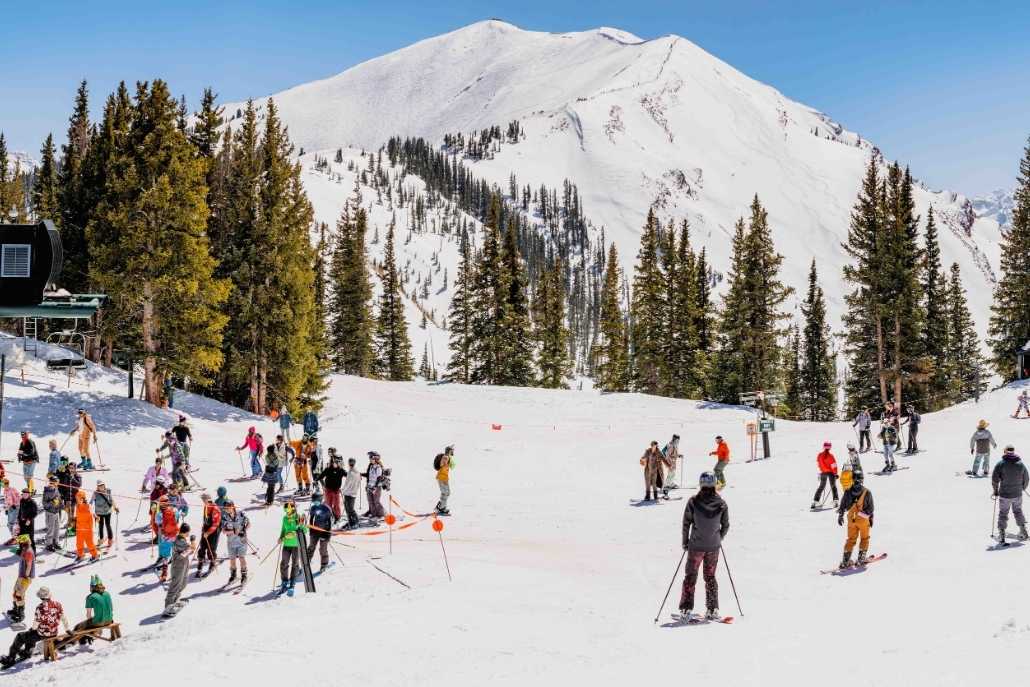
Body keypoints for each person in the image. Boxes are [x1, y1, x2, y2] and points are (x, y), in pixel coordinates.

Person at [678, 472, 729, 621]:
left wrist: (685, 541)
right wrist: (719, 537)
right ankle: (712, 609)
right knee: (710, 576)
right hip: (713, 546)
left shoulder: (693, 502)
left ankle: (686, 609)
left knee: (691, 576)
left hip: (696, 546)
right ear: (714, 484)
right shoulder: (721, 503)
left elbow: (686, 523)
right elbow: (725, 525)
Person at [0, 586, 69, 669]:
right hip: (53, 632)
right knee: (30, 634)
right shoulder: (57, 605)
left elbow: (36, 623)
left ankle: (11, 658)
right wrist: (67, 629)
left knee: (20, 636)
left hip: (42, 634)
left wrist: (32, 629)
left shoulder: (40, 608)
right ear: (50, 595)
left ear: (40, 597)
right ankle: (27, 651)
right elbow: (64, 618)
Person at [992, 445, 1029, 543]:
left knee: (1003, 513)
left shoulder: (1001, 464)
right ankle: (1023, 531)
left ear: (1005, 452)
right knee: (1018, 511)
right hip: (1017, 494)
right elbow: (1026, 478)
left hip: (1005, 494)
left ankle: (1002, 534)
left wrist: (995, 491)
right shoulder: (1020, 464)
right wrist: (1022, 488)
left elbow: (995, 479)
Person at [837, 472, 874, 568]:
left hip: (851, 519)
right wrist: (871, 518)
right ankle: (861, 559)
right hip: (863, 519)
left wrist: (840, 515)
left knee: (851, 539)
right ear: (862, 479)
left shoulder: (847, 491)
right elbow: (871, 508)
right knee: (864, 538)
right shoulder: (867, 492)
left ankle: (845, 561)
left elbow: (842, 505)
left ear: (852, 479)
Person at [163, 523, 196, 617]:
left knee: (183, 583)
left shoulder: (181, 539)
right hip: (178, 566)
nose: (189, 534)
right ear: (186, 532)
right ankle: (168, 607)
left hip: (183, 564)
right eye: (188, 533)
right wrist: (193, 541)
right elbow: (191, 549)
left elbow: (187, 550)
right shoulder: (180, 541)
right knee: (175, 585)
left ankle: (175, 601)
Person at [71, 575, 114, 642]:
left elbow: (88, 614)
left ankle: (72, 641)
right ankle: (92, 636)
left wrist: (91, 623)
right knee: (95, 620)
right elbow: (111, 608)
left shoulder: (90, 597)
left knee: (80, 626)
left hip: (100, 622)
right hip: (110, 620)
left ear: (92, 587)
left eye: (90, 586)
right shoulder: (107, 594)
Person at [278, 500, 307, 593]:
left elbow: (305, 530)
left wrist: (298, 529)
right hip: (286, 544)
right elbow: (283, 530)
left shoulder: (298, 517)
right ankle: (284, 581)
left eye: (288, 511)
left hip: (296, 545)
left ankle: (292, 582)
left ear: (293, 509)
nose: (287, 513)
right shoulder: (284, 518)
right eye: (286, 511)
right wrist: (281, 537)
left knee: (295, 564)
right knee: (284, 564)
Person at [221, 500, 249, 587]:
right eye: (225, 508)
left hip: (241, 541)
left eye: (228, 507)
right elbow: (224, 531)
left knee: (241, 558)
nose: (227, 509)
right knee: (232, 560)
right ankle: (233, 575)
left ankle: (244, 575)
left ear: (232, 506)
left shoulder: (241, 514)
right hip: (231, 542)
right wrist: (233, 531)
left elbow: (249, 524)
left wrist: (243, 530)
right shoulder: (225, 517)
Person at [8, 535, 34, 625]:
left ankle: (20, 614)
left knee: (19, 594)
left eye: (20, 542)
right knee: (15, 591)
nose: (19, 544)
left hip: (25, 577)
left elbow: (29, 565)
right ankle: (15, 609)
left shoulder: (29, 552)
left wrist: (26, 576)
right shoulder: (24, 549)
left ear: (24, 543)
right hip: (21, 575)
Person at [154, 495, 180, 582]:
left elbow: (158, 524)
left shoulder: (159, 514)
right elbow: (177, 520)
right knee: (175, 553)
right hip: (175, 534)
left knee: (165, 556)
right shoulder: (175, 510)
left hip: (165, 536)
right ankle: (176, 573)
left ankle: (164, 574)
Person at [306, 492, 333, 573]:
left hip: (324, 532)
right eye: (313, 501)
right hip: (315, 531)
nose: (314, 503)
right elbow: (311, 519)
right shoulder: (313, 508)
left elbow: (330, 522)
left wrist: (326, 535)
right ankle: (307, 561)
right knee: (311, 547)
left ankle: (324, 564)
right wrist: (311, 531)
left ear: (320, 500)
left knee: (323, 549)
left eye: (315, 501)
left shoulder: (326, 508)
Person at [197, 493, 221, 578]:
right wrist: (204, 528)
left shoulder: (215, 509)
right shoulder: (206, 506)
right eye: (202, 500)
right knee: (202, 547)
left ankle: (212, 562)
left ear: (208, 499)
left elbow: (215, 524)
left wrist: (208, 532)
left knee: (211, 548)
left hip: (214, 531)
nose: (203, 501)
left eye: (204, 499)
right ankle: (200, 563)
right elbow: (205, 519)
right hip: (206, 529)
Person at [811, 441, 839, 510]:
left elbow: (818, 463)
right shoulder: (830, 456)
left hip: (823, 473)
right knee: (833, 486)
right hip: (831, 473)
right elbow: (834, 465)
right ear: (830, 447)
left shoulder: (820, 455)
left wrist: (822, 470)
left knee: (821, 486)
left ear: (824, 447)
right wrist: (835, 473)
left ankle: (815, 501)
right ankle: (835, 501)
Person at [90, 481, 118, 550]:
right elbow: (91, 502)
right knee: (100, 526)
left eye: (102, 485)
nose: (101, 486)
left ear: (104, 485)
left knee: (108, 525)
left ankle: (110, 539)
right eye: (99, 485)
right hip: (99, 513)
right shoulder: (95, 493)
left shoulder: (108, 491)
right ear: (97, 487)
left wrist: (115, 507)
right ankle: (101, 539)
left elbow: (111, 500)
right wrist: (92, 512)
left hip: (107, 512)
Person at [320, 451, 346, 522]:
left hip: (336, 490)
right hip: (328, 489)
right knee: (328, 503)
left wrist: (356, 476)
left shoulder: (341, 470)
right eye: (334, 462)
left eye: (337, 462)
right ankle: (328, 516)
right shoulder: (328, 469)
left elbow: (348, 475)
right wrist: (316, 480)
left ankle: (337, 517)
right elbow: (322, 475)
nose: (335, 464)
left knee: (336, 504)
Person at [73, 492, 98, 562]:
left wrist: (96, 517)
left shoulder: (88, 506)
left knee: (90, 543)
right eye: (77, 499)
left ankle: (95, 555)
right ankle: (81, 555)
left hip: (87, 529)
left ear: (83, 499)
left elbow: (93, 514)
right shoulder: (77, 506)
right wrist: (73, 521)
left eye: (79, 499)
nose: (78, 500)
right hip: (79, 528)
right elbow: (75, 516)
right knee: (79, 543)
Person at [362, 452, 386, 519]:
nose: (370, 459)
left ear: (376, 459)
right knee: (370, 501)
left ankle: (381, 515)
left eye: (371, 458)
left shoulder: (378, 467)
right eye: (370, 458)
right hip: (369, 486)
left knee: (376, 502)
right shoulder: (371, 466)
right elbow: (368, 475)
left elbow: (379, 478)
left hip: (376, 487)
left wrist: (375, 487)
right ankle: (374, 514)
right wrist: (360, 474)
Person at [41, 476, 63, 552]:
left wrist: (61, 504)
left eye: (57, 482)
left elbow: (59, 498)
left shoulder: (56, 489)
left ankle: (55, 542)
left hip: (56, 512)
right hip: (50, 512)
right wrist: (52, 502)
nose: (57, 483)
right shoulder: (47, 491)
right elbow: (44, 503)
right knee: (51, 529)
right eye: (56, 482)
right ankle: (49, 544)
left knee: (57, 528)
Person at [342, 457, 362, 528]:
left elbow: (347, 483)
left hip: (349, 493)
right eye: (350, 462)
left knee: (350, 509)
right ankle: (350, 521)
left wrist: (343, 490)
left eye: (351, 462)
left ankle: (355, 522)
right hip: (351, 492)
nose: (350, 463)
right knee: (348, 508)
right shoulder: (355, 471)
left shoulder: (351, 472)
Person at [17, 487, 38, 553]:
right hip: (22, 521)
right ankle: (22, 549)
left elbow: (35, 513)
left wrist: (29, 519)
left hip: (29, 522)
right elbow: (20, 511)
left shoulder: (32, 502)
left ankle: (33, 553)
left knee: (30, 537)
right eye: (23, 494)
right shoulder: (21, 501)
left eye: (26, 494)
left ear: (29, 494)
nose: (24, 495)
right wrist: (18, 519)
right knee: (21, 535)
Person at [435, 446, 454, 515]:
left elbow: (451, 466)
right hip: (441, 478)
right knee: (445, 493)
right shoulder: (445, 457)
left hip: (445, 478)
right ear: (449, 451)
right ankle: (441, 508)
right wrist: (445, 461)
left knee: (447, 492)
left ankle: (440, 506)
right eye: (451, 451)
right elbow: (442, 464)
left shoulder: (448, 457)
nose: (453, 452)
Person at [3, 478, 20, 543]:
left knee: (12, 524)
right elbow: (6, 501)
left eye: (6, 483)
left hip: (15, 508)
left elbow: (18, 497)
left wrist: (15, 504)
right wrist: (7, 509)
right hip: (10, 508)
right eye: (4, 484)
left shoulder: (12, 489)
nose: (5, 485)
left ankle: (16, 537)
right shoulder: (5, 491)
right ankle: (14, 537)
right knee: (9, 524)